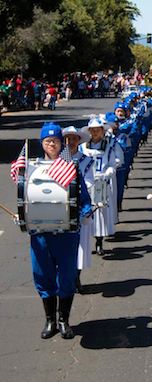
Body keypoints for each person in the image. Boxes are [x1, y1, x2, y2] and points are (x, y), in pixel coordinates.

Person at [24, 123, 92, 339]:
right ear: (42, 144)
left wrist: (84, 213)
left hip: (66, 234)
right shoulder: (32, 168)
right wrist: (22, 214)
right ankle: (50, 320)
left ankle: (64, 319)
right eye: (47, 141)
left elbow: (84, 200)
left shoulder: (70, 167)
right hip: (41, 233)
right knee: (43, 276)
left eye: (55, 141)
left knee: (67, 277)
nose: (52, 144)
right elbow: (24, 197)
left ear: (62, 144)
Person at [79, 117, 118, 255]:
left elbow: (113, 164)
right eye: (93, 130)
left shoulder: (108, 147)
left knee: (100, 212)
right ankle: (85, 242)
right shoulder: (82, 147)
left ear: (102, 131)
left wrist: (107, 173)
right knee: (86, 211)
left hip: (101, 183)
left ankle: (99, 241)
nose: (95, 133)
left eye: (98, 130)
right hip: (86, 183)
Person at [62, 126, 95, 293]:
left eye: (74, 138)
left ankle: (76, 277)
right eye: (67, 138)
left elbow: (89, 182)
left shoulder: (85, 160)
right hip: (61, 205)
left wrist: (77, 191)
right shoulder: (57, 160)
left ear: (78, 140)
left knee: (80, 245)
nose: (70, 141)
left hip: (79, 203)